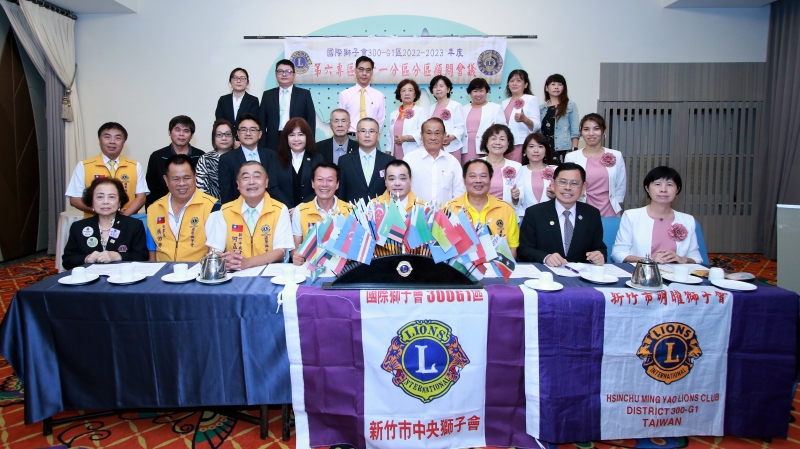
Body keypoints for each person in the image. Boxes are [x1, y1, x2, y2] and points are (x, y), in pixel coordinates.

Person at [206, 161, 294, 269]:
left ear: (266, 182)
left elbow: (280, 252)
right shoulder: (225, 211)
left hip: (269, 273)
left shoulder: (279, 209)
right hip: (235, 272)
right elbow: (214, 250)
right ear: (238, 184)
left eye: (257, 177)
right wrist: (225, 259)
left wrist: (247, 263)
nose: (251, 182)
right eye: (246, 178)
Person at [518, 163, 606, 266]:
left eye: (574, 183)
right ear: (553, 185)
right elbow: (524, 249)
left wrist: (599, 256)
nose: (568, 187)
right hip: (546, 273)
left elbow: (600, 248)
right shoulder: (534, 213)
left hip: (580, 274)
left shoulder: (592, 214)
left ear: (583, 188)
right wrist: (545, 258)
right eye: (563, 182)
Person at [612, 166, 702, 264]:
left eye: (669, 185)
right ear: (647, 188)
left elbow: (696, 258)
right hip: (643, 271)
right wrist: (649, 260)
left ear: (677, 190)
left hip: (676, 272)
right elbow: (618, 253)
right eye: (658, 184)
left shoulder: (688, 220)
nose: (663, 189)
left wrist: (682, 259)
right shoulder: (631, 216)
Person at [62, 178, 148, 270]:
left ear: (119, 201)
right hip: (89, 277)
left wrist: (118, 256)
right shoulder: (78, 227)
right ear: (92, 201)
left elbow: (142, 257)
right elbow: (67, 261)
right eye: (100, 197)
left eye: (111, 197)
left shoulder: (133, 225)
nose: (105, 202)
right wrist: (86, 258)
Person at [146, 154, 220, 262]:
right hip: (163, 270)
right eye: (175, 179)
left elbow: (214, 251)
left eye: (187, 178)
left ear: (195, 177)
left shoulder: (212, 206)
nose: (181, 183)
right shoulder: (154, 208)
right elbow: (152, 251)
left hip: (198, 270)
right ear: (166, 180)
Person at [66, 122, 148, 217]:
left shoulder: (135, 166)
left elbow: (141, 197)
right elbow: (75, 199)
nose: (112, 141)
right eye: (107, 137)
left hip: (127, 221)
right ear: (99, 139)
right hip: (94, 222)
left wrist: (124, 215)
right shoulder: (84, 166)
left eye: (118, 138)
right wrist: (100, 210)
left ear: (124, 142)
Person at [443, 159, 519, 259]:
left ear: (490, 179)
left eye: (483, 176)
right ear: (464, 180)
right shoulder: (448, 209)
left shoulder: (506, 209)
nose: (478, 180)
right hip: (459, 267)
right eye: (472, 176)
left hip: (496, 267)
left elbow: (513, 248)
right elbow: (442, 248)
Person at [564, 113, 626, 217]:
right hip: (582, 211)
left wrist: (618, 203)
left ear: (603, 130)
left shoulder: (616, 155)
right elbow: (569, 186)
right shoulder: (571, 157)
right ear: (581, 132)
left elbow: (620, 185)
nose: (591, 133)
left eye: (596, 129)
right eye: (586, 129)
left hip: (610, 211)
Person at [291, 162, 353, 265]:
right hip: (310, 269)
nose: (324, 184)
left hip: (342, 270)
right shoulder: (300, 211)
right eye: (320, 179)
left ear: (337, 184)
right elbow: (296, 248)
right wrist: (296, 256)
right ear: (312, 183)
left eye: (330, 180)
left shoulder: (351, 210)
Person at [218, 113, 287, 205]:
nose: (248, 133)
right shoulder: (226, 159)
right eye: (243, 130)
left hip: (269, 207)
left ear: (260, 134)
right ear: (238, 134)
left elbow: (276, 186)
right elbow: (226, 192)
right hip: (239, 208)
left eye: (253, 130)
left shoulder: (271, 155)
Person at [145, 115, 205, 209]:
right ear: (169, 132)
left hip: (196, 208)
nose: (181, 134)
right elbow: (151, 188)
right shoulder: (157, 157)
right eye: (177, 129)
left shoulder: (201, 156)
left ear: (192, 135)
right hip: (164, 208)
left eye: (186, 130)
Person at [404, 118, 466, 206]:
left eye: (437, 133)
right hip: (415, 213)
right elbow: (403, 190)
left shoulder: (452, 162)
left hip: (445, 213)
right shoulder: (409, 159)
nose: (433, 138)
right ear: (421, 135)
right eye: (429, 133)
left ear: (444, 136)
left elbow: (459, 193)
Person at [258, 59, 316, 151]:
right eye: (280, 71)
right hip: (272, 140)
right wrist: (262, 144)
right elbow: (261, 122)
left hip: (296, 139)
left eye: (288, 71)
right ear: (276, 74)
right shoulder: (268, 95)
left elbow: (311, 120)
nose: (284, 74)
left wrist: (309, 142)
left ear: (294, 75)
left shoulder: (304, 94)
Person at [336, 118, 395, 203]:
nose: (367, 135)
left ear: (378, 135)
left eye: (371, 131)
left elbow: (392, 191)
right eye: (363, 131)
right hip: (352, 210)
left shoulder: (389, 160)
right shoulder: (344, 161)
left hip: (382, 209)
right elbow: (341, 191)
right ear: (357, 135)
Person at [272, 117, 325, 209]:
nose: (296, 139)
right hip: (281, 210)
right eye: (292, 135)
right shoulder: (276, 158)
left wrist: (300, 209)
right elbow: (272, 187)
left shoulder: (317, 159)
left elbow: (320, 187)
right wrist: (287, 208)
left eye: (300, 134)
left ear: (307, 137)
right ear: (286, 137)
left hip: (309, 210)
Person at [494, 69, 541, 163]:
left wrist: (525, 119)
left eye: (518, 80)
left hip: (521, 143)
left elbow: (537, 125)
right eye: (512, 81)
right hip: (505, 144)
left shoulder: (531, 99)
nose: (514, 83)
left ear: (526, 84)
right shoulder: (504, 102)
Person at [479, 124, 523, 212]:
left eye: (502, 139)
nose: (497, 142)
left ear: (508, 144)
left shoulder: (516, 166)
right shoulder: (475, 164)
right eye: (493, 138)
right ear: (486, 143)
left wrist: (516, 197)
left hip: (506, 212)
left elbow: (520, 199)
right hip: (479, 212)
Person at [338, 56, 386, 134]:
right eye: (361, 69)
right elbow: (341, 118)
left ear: (372, 72)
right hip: (350, 136)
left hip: (371, 136)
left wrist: (374, 135)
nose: (364, 73)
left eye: (368, 70)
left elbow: (380, 120)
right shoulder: (345, 94)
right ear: (355, 71)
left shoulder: (379, 96)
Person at [540, 74, 580, 163]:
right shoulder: (541, 108)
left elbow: (575, 131)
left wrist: (574, 149)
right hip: (545, 150)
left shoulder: (570, 105)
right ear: (546, 88)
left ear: (564, 88)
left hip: (563, 149)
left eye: (560, 84)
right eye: (553, 84)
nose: (556, 87)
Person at [461, 78, 501, 165]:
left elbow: (503, 131)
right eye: (475, 91)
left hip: (486, 149)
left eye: (481, 91)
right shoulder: (463, 109)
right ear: (470, 93)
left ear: (486, 91)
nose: (478, 94)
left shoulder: (496, 108)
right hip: (466, 149)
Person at [517, 133, 558, 216]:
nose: (536, 150)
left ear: (546, 151)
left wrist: (556, 196)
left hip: (551, 216)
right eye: (531, 146)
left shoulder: (555, 170)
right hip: (526, 217)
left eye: (540, 146)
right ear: (525, 151)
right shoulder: (519, 170)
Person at [385, 79, 428, 158]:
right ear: (400, 94)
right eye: (403, 90)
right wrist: (387, 154)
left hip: (413, 152)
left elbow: (423, 132)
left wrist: (406, 138)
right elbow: (389, 136)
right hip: (395, 154)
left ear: (415, 95)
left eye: (410, 90)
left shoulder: (420, 111)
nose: (407, 93)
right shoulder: (393, 114)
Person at [214, 68, 259, 143]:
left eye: (242, 78)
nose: (238, 81)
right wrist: (232, 141)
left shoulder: (253, 100)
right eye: (235, 78)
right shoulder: (223, 100)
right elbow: (219, 121)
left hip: (245, 141)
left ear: (247, 82)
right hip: (226, 141)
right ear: (230, 81)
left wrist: (240, 140)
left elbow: (253, 123)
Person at [195, 119, 234, 200]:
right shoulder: (205, 159)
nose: (224, 138)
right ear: (214, 137)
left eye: (228, 134)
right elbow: (201, 189)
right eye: (219, 135)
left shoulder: (239, 156)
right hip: (212, 205)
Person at [428, 75, 465, 155]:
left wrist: (451, 137)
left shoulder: (455, 106)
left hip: (451, 147)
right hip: (435, 148)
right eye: (435, 87)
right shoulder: (431, 108)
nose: (438, 89)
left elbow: (460, 127)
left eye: (441, 86)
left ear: (448, 89)